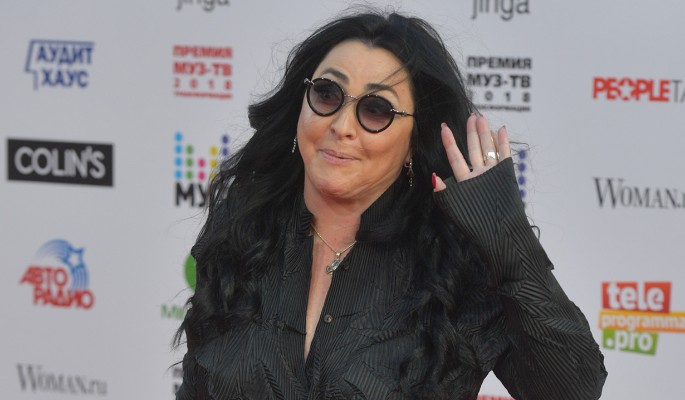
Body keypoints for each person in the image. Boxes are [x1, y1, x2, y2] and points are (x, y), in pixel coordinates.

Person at [175, 9, 607, 400]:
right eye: (326, 94)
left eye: (376, 110)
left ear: (413, 145)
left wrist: (508, 241)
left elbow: (572, 390)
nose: (342, 126)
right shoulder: (245, 230)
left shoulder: (453, 264)